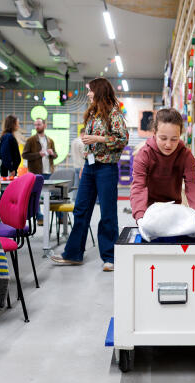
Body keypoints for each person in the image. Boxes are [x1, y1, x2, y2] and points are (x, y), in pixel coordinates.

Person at [51, 78, 128, 271]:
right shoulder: (93, 113)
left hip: (106, 169)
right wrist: (86, 163)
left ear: (99, 91)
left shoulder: (114, 113)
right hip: (89, 167)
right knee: (81, 210)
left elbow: (122, 139)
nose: (88, 94)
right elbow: (89, 143)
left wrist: (98, 138)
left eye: (90, 90)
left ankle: (110, 257)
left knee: (107, 213)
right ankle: (73, 254)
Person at [130, 108, 195, 241]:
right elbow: (138, 187)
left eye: (174, 139)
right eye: (163, 138)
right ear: (154, 133)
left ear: (180, 135)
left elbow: (193, 185)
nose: (168, 144)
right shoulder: (144, 155)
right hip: (149, 213)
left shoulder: (185, 155)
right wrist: (140, 217)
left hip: (173, 211)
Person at [22, 118, 58, 224]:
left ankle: (60, 217)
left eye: (39, 124)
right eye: (35, 125)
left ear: (44, 125)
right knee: (35, 196)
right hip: (36, 172)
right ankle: (39, 218)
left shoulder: (50, 140)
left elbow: (56, 155)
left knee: (55, 194)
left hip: (49, 172)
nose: (37, 126)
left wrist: (52, 153)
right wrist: (39, 154)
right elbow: (25, 155)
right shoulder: (31, 140)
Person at [70, 129, 86, 201]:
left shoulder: (74, 141)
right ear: (83, 133)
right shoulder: (82, 142)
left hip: (76, 165)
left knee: (76, 184)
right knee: (84, 185)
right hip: (82, 166)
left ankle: (74, 198)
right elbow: (84, 155)